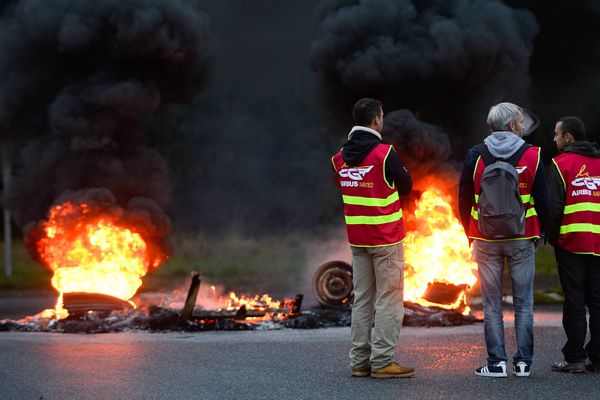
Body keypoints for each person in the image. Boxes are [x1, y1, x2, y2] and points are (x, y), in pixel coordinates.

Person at [458, 102, 549, 378]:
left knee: (491, 303)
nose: (522, 125)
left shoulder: (475, 155)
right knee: (523, 303)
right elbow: (543, 199)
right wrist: (542, 232)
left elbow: (462, 199)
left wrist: (469, 232)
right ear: (511, 126)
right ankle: (523, 363)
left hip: (484, 237)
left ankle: (496, 363)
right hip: (522, 236)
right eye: (519, 121)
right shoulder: (532, 155)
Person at [331, 98, 414, 379]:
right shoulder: (384, 153)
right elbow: (406, 185)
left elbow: (343, 187)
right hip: (387, 239)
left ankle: (359, 362)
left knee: (362, 300)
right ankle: (382, 362)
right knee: (389, 300)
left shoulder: (338, 158)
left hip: (358, 239)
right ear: (377, 120)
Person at [547, 116, 600, 373]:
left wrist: (552, 237)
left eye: (557, 134)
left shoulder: (560, 164)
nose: (554, 138)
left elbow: (554, 209)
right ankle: (598, 358)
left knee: (575, 300)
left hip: (571, 243)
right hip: (598, 243)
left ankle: (575, 358)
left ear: (568, 137)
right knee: (598, 300)